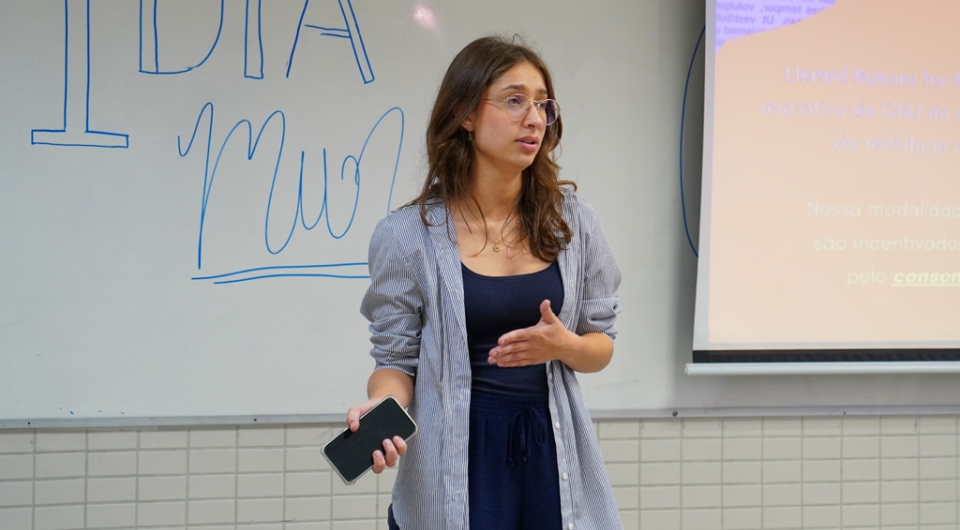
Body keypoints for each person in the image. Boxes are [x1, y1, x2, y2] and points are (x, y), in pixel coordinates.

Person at [345, 35, 623, 529]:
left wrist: (566, 347)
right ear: (466, 114)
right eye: (514, 101)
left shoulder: (574, 223)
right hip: (456, 449)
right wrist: (381, 406)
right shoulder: (408, 235)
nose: (534, 118)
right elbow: (395, 360)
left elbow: (600, 344)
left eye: (543, 104)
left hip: (551, 446)